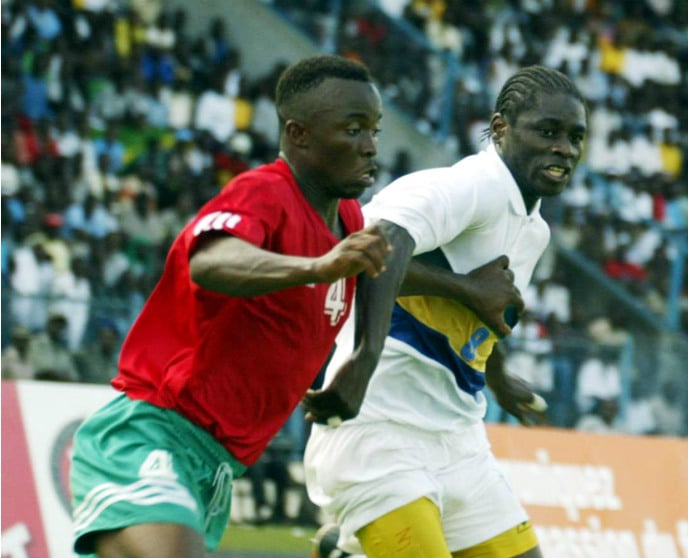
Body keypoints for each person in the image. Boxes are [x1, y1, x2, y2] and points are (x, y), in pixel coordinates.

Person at [69, 55, 519, 558]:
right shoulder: (265, 192)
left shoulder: (347, 218)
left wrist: (455, 296)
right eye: (353, 129)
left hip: (216, 464)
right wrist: (317, 267)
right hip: (151, 435)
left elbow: (382, 267)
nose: (370, 146)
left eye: (374, 130)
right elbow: (212, 261)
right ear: (298, 134)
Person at [303, 65, 587, 558]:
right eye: (548, 132)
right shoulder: (472, 186)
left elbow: (486, 308)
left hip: (459, 441)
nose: (564, 148)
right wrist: (363, 361)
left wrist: (498, 377)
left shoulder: (534, 229)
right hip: (380, 430)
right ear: (500, 128)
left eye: (575, 137)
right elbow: (368, 246)